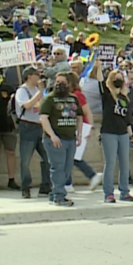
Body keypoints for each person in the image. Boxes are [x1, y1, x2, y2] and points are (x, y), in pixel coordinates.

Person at [39, 72, 81, 206]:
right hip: (55, 139)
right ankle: (59, 196)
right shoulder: (49, 99)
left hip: (70, 138)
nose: (59, 85)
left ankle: (54, 194)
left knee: (67, 169)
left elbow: (79, 116)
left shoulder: (73, 98)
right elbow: (43, 118)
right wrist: (52, 135)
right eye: (57, 82)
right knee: (58, 167)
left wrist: (79, 134)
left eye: (62, 82)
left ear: (68, 84)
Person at [98, 67, 133, 202]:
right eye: (116, 78)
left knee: (125, 163)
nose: (119, 81)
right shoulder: (107, 95)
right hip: (109, 132)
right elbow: (100, 81)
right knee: (110, 163)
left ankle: (124, 191)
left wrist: (131, 136)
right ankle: (108, 193)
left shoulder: (124, 98)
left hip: (123, 133)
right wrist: (98, 65)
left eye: (121, 78)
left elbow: (127, 120)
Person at [14, 67, 50, 199]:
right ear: (29, 76)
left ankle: (46, 186)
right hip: (27, 126)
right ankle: (25, 187)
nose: (39, 78)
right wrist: (40, 92)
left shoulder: (37, 90)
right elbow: (27, 105)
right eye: (37, 75)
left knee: (47, 157)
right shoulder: (21, 91)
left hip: (40, 126)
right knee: (26, 160)